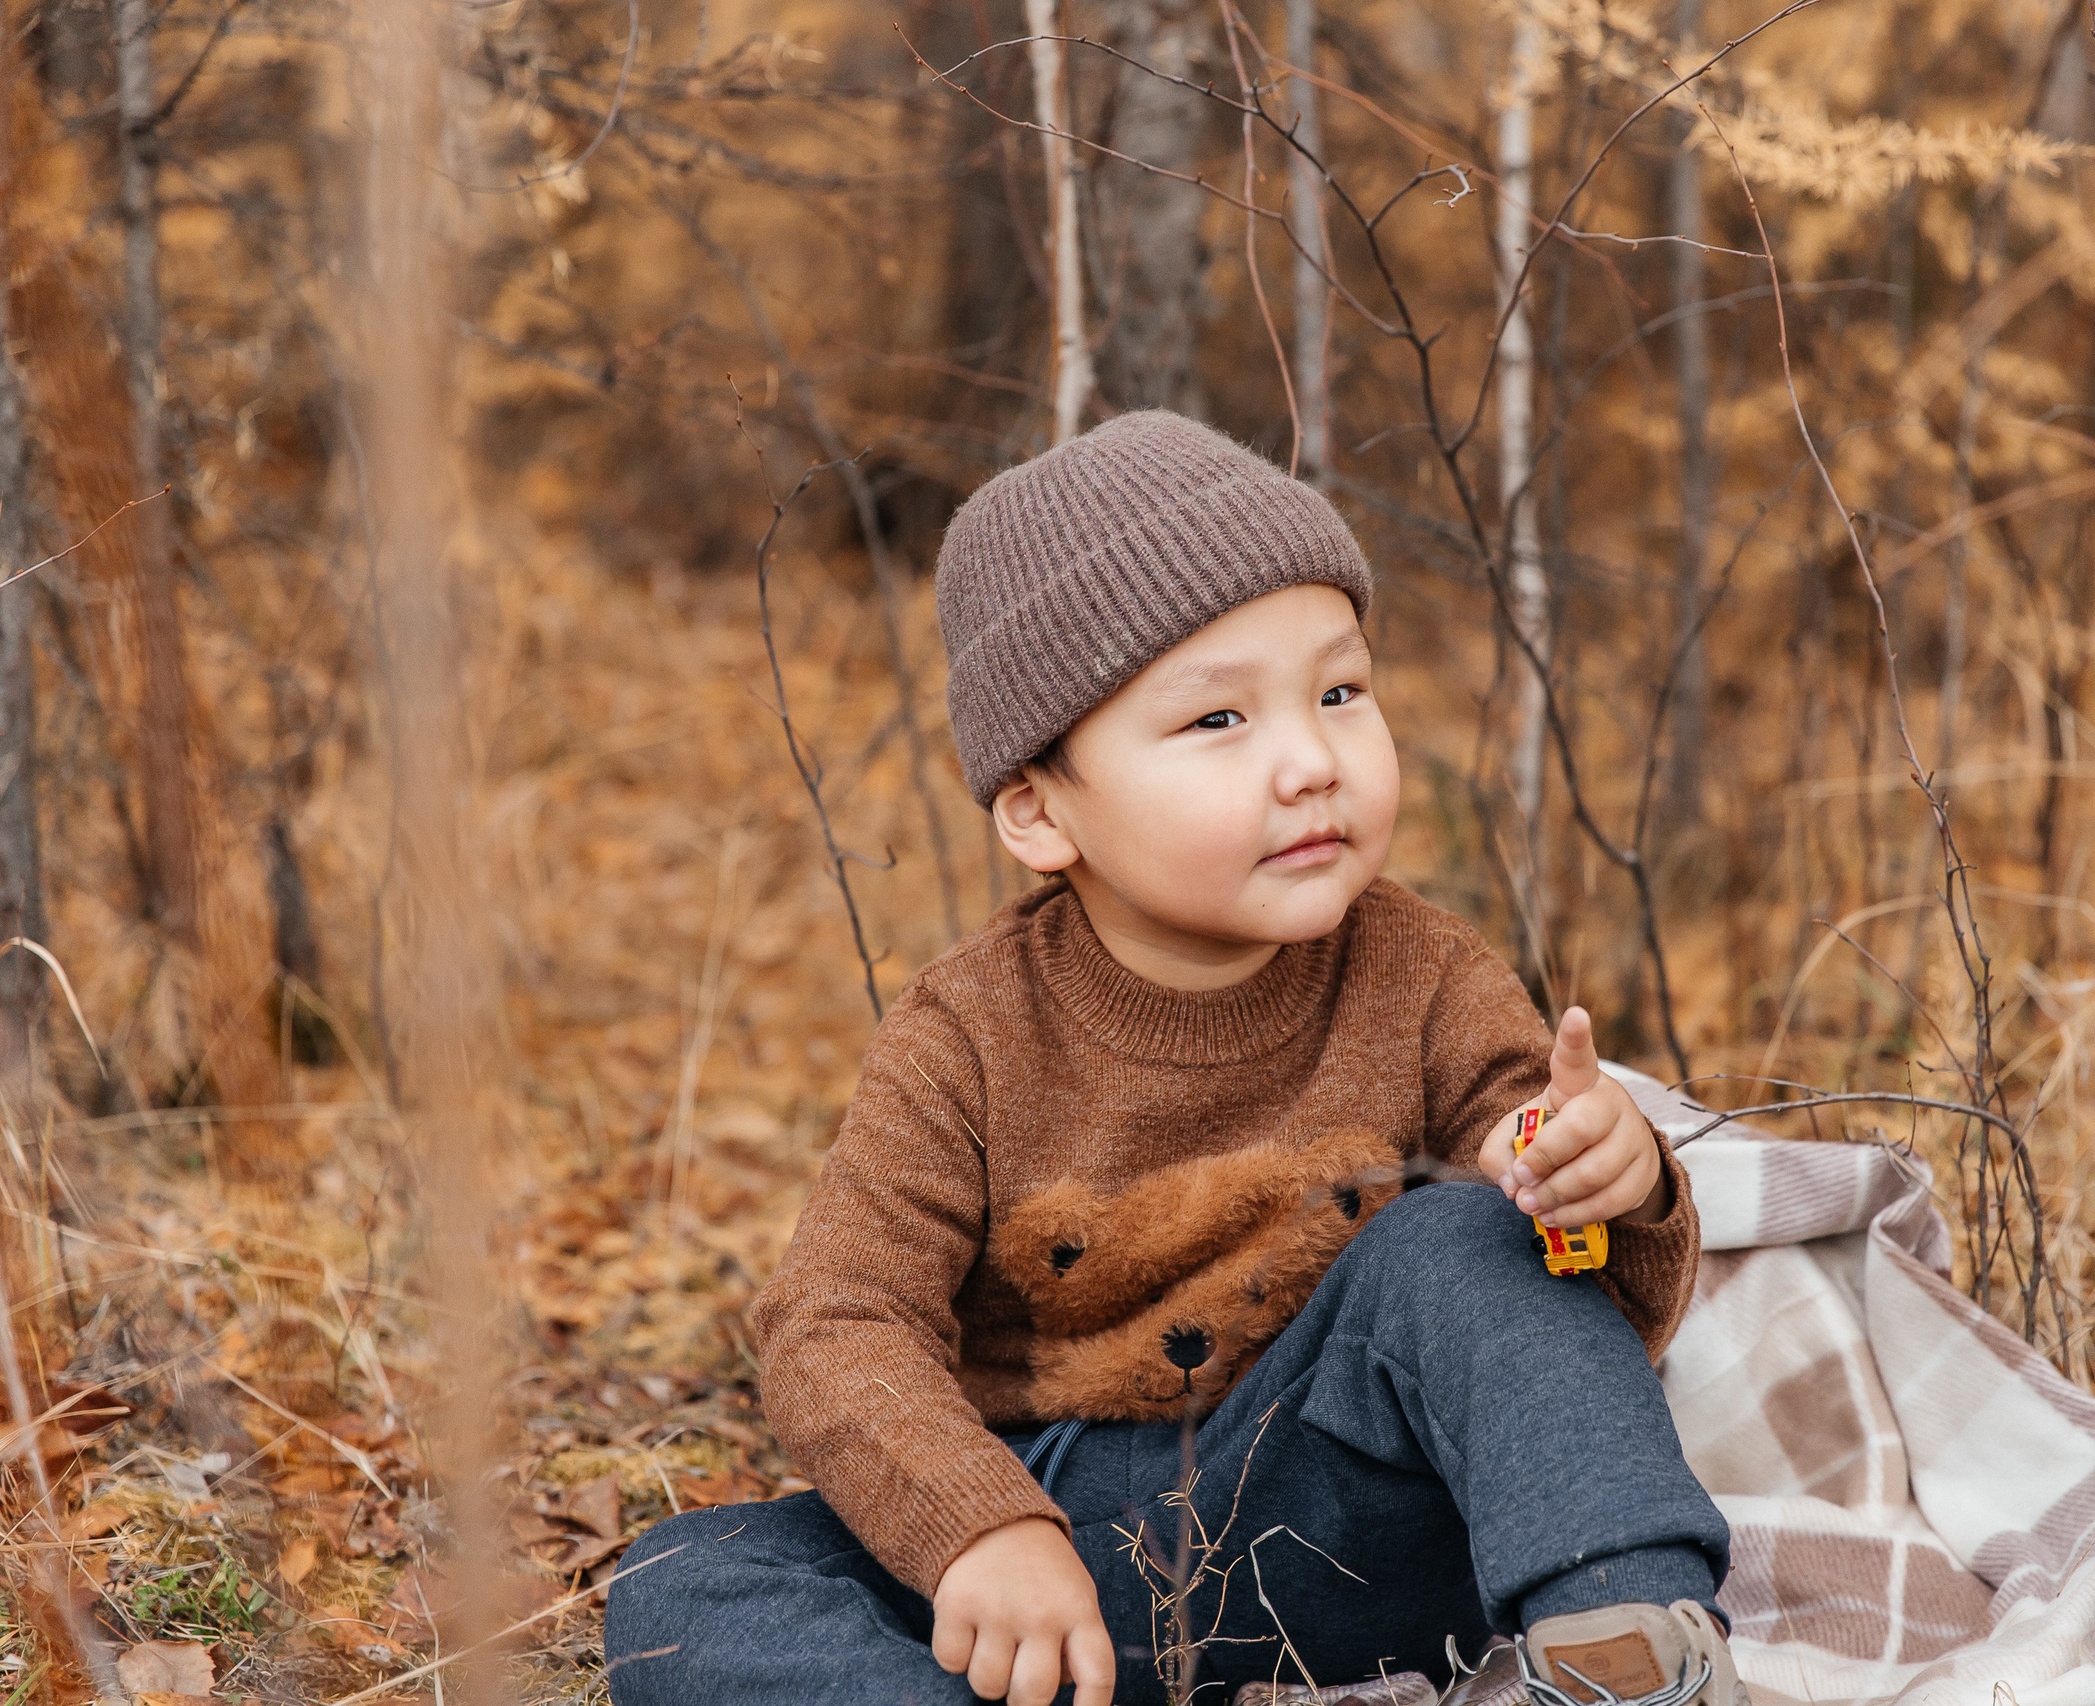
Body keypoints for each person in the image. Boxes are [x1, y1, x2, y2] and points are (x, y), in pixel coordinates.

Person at [603, 413, 1738, 1706]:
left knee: (1466, 1240)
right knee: (682, 1579)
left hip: (1348, 1523)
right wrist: (982, 1526)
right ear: (1039, 808)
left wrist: (1603, 1173)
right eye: (1216, 717)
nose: (1310, 761)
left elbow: (1560, 1268)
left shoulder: (1419, 969)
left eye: (1340, 692)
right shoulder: (966, 1033)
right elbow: (837, 1318)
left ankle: (1626, 1647)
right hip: (1060, 1572)